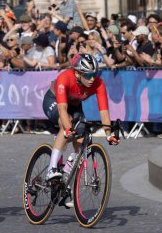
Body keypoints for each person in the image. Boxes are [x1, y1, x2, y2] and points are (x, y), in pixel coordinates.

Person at [42, 53, 120, 207]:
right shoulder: (65, 77)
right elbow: (63, 109)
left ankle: (66, 180)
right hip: (55, 101)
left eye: (94, 74)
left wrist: (109, 135)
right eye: (88, 75)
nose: (92, 78)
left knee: (80, 138)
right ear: (77, 73)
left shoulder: (98, 83)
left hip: (75, 104)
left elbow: (104, 112)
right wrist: (68, 129)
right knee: (68, 124)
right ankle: (51, 169)